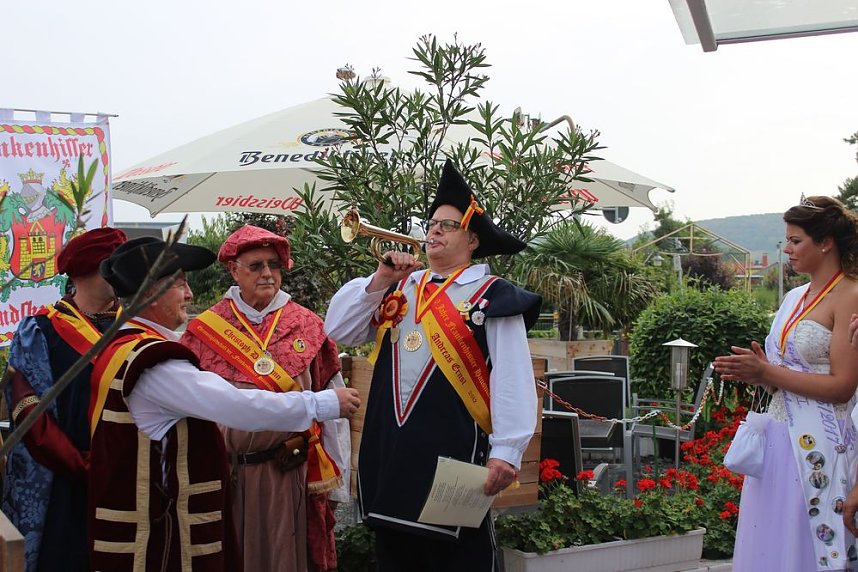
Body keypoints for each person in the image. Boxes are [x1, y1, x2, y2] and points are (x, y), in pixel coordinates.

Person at [88, 236, 361, 572]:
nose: (189, 295)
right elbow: (237, 406)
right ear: (150, 294)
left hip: (274, 474)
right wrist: (323, 403)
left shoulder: (122, 346)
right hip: (158, 522)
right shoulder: (157, 361)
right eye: (180, 285)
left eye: (274, 265)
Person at [325, 159, 541, 571]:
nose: (434, 231)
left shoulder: (492, 295)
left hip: (455, 457)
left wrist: (508, 451)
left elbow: (512, 377)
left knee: (458, 560)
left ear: (473, 239)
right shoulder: (402, 286)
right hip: (391, 452)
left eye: (447, 225)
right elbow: (340, 329)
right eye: (432, 223)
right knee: (395, 556)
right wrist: (380, 277)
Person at [180, 225, 350, 572]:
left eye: (274, 264)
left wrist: (335, 482)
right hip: (225, 474)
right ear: (234, 270)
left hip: (287, 473)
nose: (268, 273)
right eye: (256, 265)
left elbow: (332, 410)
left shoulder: (308, 326)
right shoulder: (204, 332)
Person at [714, 195, 858, 572]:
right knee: (771, 544)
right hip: (777, 438)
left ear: (825, 242)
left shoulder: (851, 294)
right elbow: (784, 371)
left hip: (823, 440)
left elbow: (842, 385)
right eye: (787, 241)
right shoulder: (794, 297)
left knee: (807, 542)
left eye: (796, 241)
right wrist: (756, 370)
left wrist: (767, 373)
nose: (788, 249)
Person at [2, 226, 127, 572]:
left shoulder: (134, 327)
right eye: (113, 265)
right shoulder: (40, 331)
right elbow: (29, 414)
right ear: (86, 270)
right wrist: (86, 465)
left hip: (129, 478)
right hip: (64, 484)